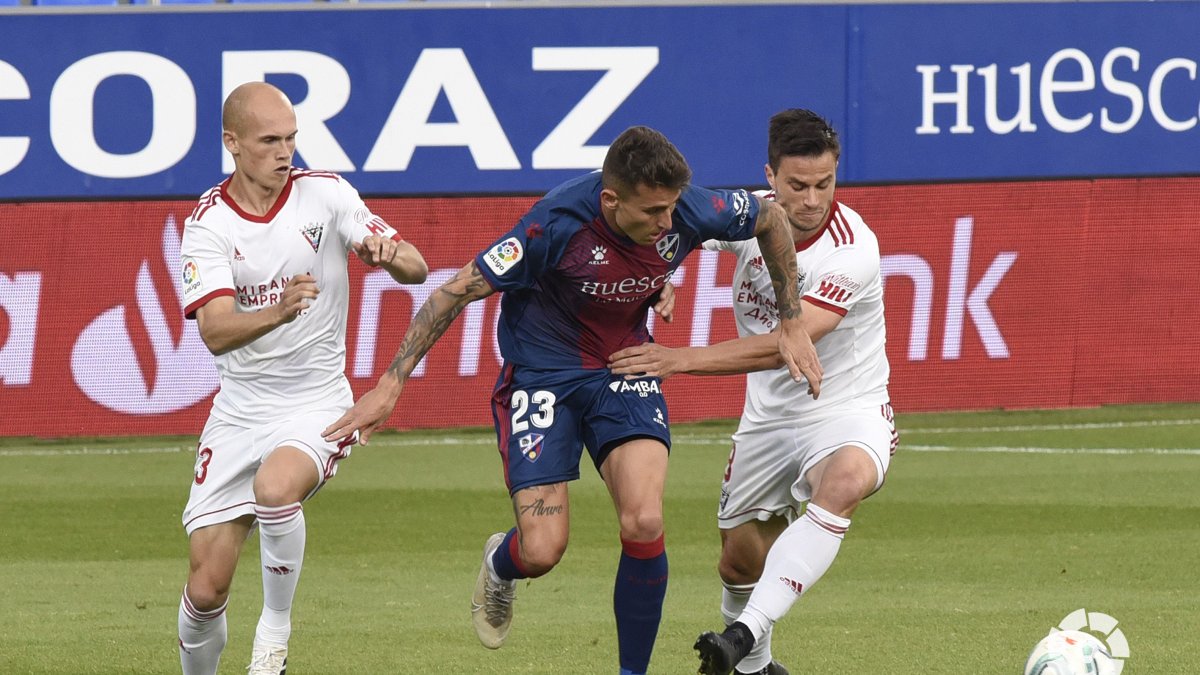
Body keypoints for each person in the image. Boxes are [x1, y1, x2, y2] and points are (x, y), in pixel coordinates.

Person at [322, 125, 823, 674]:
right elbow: (450, 294)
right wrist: (391, 384)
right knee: (542, 550)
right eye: (653, 211)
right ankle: (500, 564)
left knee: (645, 521)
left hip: (622, 366)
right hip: (542, 376)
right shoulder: (551, 227)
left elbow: (770, 219)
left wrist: (791, 320)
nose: (667, 224)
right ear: (611, 200)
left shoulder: (688, 209)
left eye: (673, 208)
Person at [608, 110, 896, 675]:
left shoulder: (852, 249)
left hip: (846, 408)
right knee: (739, 561)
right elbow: (676, 233)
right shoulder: (753, 215)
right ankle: (753, 666)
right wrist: (662, 279)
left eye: (824, 184)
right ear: (771, 175)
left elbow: (788, 342)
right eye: (797, 186)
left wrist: (679, 359)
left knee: (843, 484)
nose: (812, 200)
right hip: (767, 421)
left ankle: (742, 634)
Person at [176, 82, 428, 675]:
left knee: (275, 489)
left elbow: (417, 266)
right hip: (238, 411)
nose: (285, 151)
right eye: (270, 141)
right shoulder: (208, 224)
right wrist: (278, 310)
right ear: (232, 143)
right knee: (206, 588)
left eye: (291, 138)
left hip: (316, 403)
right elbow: (214, 330)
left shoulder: (327, 195)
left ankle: (274, 639)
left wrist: (389, 256)